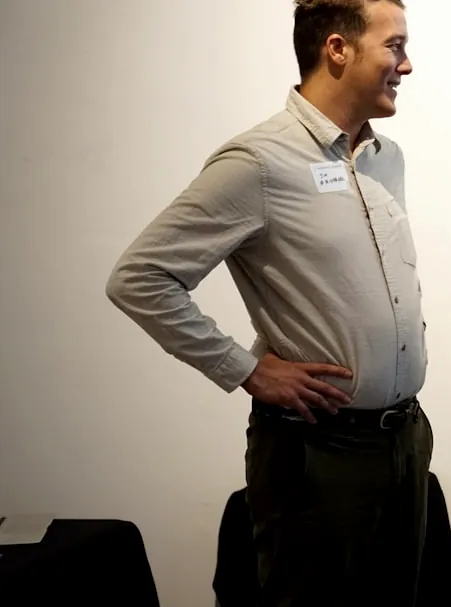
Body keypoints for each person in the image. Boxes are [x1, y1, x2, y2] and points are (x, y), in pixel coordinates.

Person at [105, 1, 432, 605]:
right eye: (394, 46)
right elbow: (140, 277)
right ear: (337, 49)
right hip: (317, 450)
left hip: (404, 439)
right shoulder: (258, 162)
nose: (406, 65)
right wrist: (245, 368)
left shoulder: (389, 159)